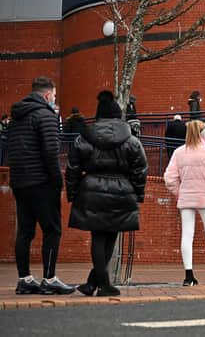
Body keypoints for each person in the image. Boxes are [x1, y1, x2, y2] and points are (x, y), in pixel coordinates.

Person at [66, 90, 148, 296]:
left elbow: (73, 167)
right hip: (122, 189)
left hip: (91, 188)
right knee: (111, 235)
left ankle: (95, 283)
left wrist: (72, 193)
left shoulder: (84, 138)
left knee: (98, 236)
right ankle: (102, 284)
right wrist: (138, 193)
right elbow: (140, 168)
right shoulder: (130, 140)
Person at [8, 76, 74, 295]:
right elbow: (51, 152)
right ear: (47, 95)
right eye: (54, 96)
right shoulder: (45, 115)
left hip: (20, 181)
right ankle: (49, 278)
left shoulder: (16, 116)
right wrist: (58, 182)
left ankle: (24, 278)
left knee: (25, 232)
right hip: (42, 182)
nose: (54, 100)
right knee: (52, 229)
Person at [164, 120, 205, 287]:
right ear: (204, 133)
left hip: (186, 198)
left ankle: (188, 276)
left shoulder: (179, 152)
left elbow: (169, 178)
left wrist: (180, 192)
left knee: (187, 235)